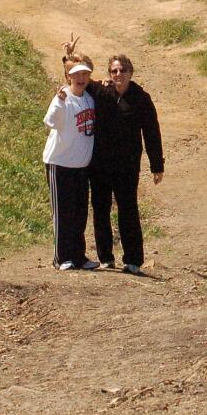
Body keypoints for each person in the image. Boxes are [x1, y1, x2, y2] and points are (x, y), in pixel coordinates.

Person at [89, 53, 164, 275]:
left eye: (122, 70)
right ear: (109, 74)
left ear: (131, 73)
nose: (118, 74)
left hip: (127, 165)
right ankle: (105, 258)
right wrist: (68, 57)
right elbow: (77, 78)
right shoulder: (101, 92)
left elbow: (152, 132)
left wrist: (157, 165)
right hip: (100, 164)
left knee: (128, 209)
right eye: (114, 71)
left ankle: (133, 260)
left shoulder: (141, 98)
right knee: (100, 208)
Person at [42, 53, 100, 271]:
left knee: (80, 213)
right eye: (76, 75)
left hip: (81, 166)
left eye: (85, 74)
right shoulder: (63, 97)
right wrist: (58, 102)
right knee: (63, 213)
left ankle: (78, 255)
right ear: (68, 77)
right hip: (60, 163)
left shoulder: (89, 99)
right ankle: (61, 257)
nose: (81, 78)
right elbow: (50, 121)